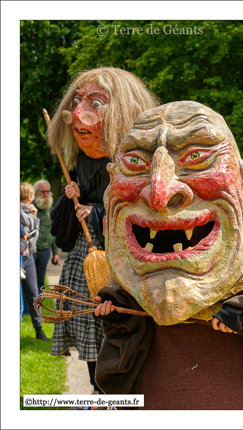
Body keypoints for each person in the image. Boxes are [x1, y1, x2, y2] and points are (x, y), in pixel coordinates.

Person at [93, 101, 243, 410]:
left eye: (198, 157)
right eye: (136, 163)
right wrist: (119, 311)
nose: (159, 194)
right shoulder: (133, 291)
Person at [48, 67, 159, 394]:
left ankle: (128, 394)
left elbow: (145, 212)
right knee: (91, 326)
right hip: (88, 257)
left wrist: (96, 211)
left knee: (127, 328)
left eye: (96, 102)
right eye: (78, 101)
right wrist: (72, 199)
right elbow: (71, 213)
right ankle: (101, 388)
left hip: (125, 258)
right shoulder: (81, 161)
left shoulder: (146, 161)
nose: (77, 114)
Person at [20, 182, 50, 340]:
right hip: (21, 255)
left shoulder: (31, 211)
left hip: (28, 256)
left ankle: (39, 331)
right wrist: (33, 218)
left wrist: (34, 217)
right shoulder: (20, 211)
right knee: (23, 296)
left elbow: (32, 236)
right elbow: (29, 234)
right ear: (30, 196)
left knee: (33, 294)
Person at [33, 179, 59, 294]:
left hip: (45, 251)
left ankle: (37, 305)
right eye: (43, 191)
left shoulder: (50, 209)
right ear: (36, 192)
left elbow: (52, 232)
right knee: (29, 281)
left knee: (40, 280)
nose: (46, 194)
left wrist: (56, 252)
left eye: (48, 191)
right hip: (31, 251)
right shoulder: (29, 208)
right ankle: (26, 310)